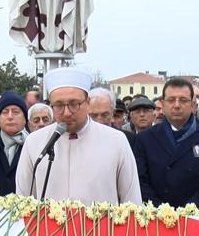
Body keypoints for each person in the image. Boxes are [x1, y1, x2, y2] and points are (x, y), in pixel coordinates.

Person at [16, 68, 141, 205]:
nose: (67, 112)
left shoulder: (116, 141)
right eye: (58, 105)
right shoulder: (34, 142)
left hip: (102, 226)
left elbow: (132, 202)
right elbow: (23, 201)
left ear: (87, 102)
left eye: (74, 104)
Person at [135, 78, 199, 208]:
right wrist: (162, 210)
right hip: (156, 218)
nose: (177, 105)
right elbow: (140, 181)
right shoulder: (145, 139)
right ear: (162, 104)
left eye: (183, 100)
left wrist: (189, 210)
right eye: (171, 100)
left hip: (196, 216)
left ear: (193, 105)